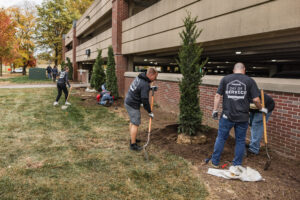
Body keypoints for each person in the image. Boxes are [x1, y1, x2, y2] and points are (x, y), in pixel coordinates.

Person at [209, 62, 267, 167]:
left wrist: (215, 110)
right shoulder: (249, 81)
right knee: (240, 141)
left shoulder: (225, 79)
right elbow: (256, 99)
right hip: (242, 117)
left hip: (227, 116)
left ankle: (215, 162)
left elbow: (217, 95)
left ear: (233, 70)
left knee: (221, 138)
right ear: (244, 69)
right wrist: (261, 109)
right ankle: (237, 165)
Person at [124, 68, 158, 151]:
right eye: (155, 77)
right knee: (135, 123)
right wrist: (149, 111)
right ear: (151, 75)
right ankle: (133, 145)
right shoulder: (145, 84)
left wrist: (150, 88)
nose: (155, 79)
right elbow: (145, 99)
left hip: (128, 101)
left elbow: (139, 88)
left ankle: (133, 138)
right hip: (133, 104)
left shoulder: (140, 77)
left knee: (132, 122)